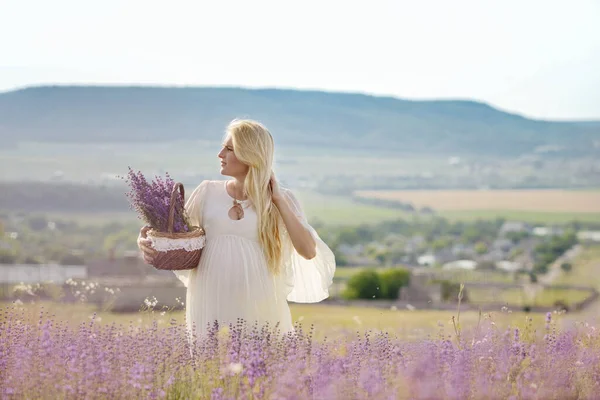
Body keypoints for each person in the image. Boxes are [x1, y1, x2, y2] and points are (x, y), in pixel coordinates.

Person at [137, 119, 336, 338]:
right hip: (208, 303)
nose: (220, 154)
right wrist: (146, 240)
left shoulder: (281, 200)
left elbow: (308, 250)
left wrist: (278, 199)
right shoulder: (206, 192)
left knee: (262, 367)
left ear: (250, 154)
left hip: (260, 307)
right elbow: (176, 237)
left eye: (229, 149)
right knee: (208, 368)